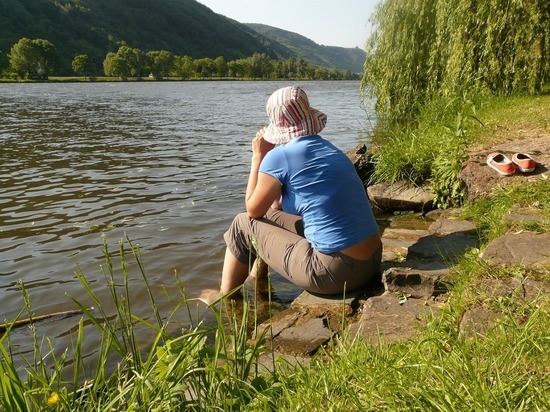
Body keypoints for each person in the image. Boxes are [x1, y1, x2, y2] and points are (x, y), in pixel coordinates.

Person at [201, 85, 382, 302]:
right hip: (371, 262)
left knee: (241, 225)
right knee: (269, 218)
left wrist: (258, 157)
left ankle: (225, 296)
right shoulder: (330, 149)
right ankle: (255, 277)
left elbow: (251, 210)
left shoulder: (280, 156)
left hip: (336, 274)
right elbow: (271, 210)